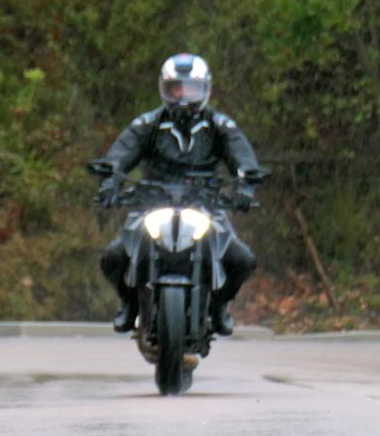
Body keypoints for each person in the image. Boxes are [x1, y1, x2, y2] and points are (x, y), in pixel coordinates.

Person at [90, 53, 265, 335]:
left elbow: (243, 157)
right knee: (113, 256)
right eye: (176, 89)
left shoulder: (220, 125)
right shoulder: (148, 123)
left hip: (205, 204)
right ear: (164, 89)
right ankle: (130, 304)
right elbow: (120, 155)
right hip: (152, 203)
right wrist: (110, 182)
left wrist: (245, 187)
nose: (183, 96)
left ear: (205, 89)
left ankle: (219, 306)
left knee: (242, 260)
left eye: (191, 89)